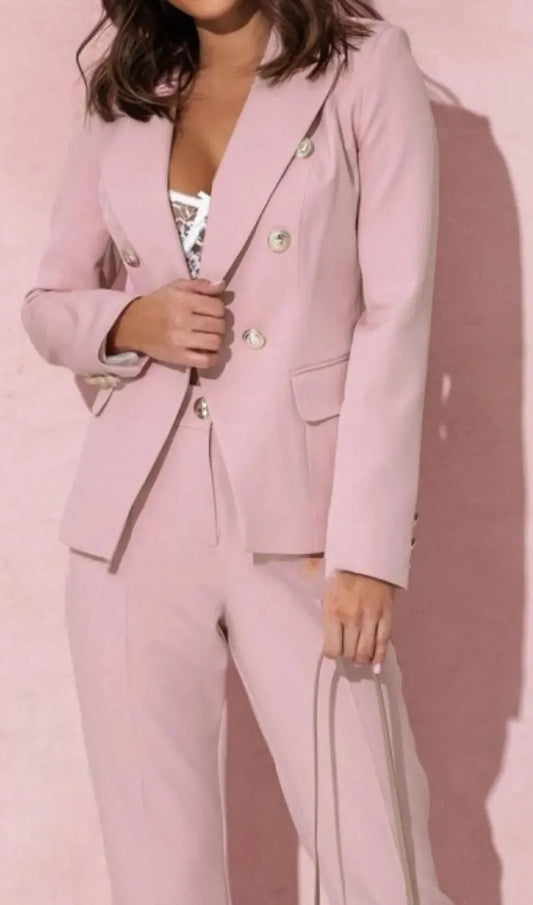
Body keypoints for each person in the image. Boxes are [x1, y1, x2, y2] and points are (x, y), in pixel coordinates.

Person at [21, 2, 454, 904]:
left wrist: (369, 551)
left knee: (375, 853)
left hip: (305, 521)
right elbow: (50, 302)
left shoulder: (365, 67)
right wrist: (129, 320)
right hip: (131, 527)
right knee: (157, 874)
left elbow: (395, 312)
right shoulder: (126, 91)